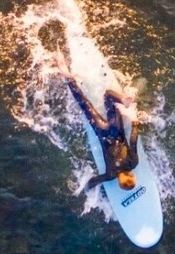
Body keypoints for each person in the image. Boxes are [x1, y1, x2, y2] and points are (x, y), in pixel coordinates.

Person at [55, 51, 139, 190]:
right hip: (102, 131)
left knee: (108, 96)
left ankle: (123, 99)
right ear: (119, 181)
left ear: (133, 176)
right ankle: (65, 73)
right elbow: (93, 182)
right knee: (83, 102)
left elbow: (134, 140)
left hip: (115, 128)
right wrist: (86, 189)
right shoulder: (110, 174)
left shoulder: (133, 163)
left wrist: (135, 121)